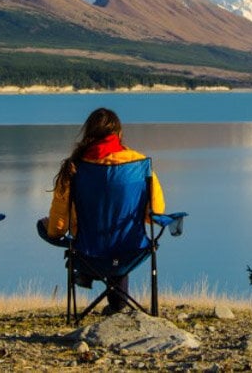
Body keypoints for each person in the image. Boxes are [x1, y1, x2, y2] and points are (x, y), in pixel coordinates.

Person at [39, 107, 165, 314]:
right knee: (119, 238)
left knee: (71, 234)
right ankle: (117, 303)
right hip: (130, 249)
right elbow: (155, 214)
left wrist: (50, 230)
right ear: (119, 134)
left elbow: (58, 227)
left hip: (87, 251)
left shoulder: (73, 168)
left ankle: (87, 274)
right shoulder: (139, 165)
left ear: (88, 134)